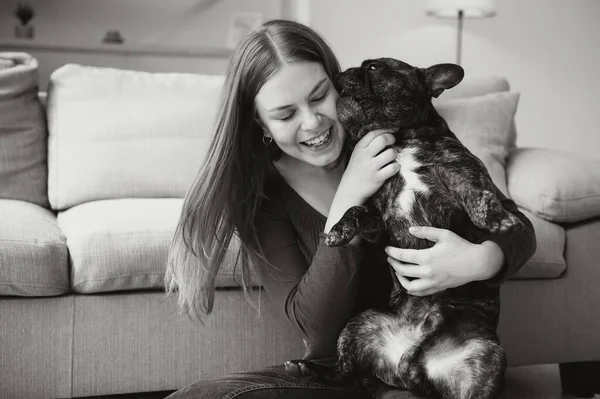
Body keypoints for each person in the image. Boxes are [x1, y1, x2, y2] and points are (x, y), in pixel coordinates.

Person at [164, 19, 536, 399]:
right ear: (260, 122)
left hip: (444, 358)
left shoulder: (393, 139)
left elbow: (513, 224)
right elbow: (317, 332)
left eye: (319, 96)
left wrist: (481, 261)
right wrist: (348, 198)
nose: (312, 123)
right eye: (285, 114)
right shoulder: (262, 199)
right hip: (346, 374)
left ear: (338, 81)